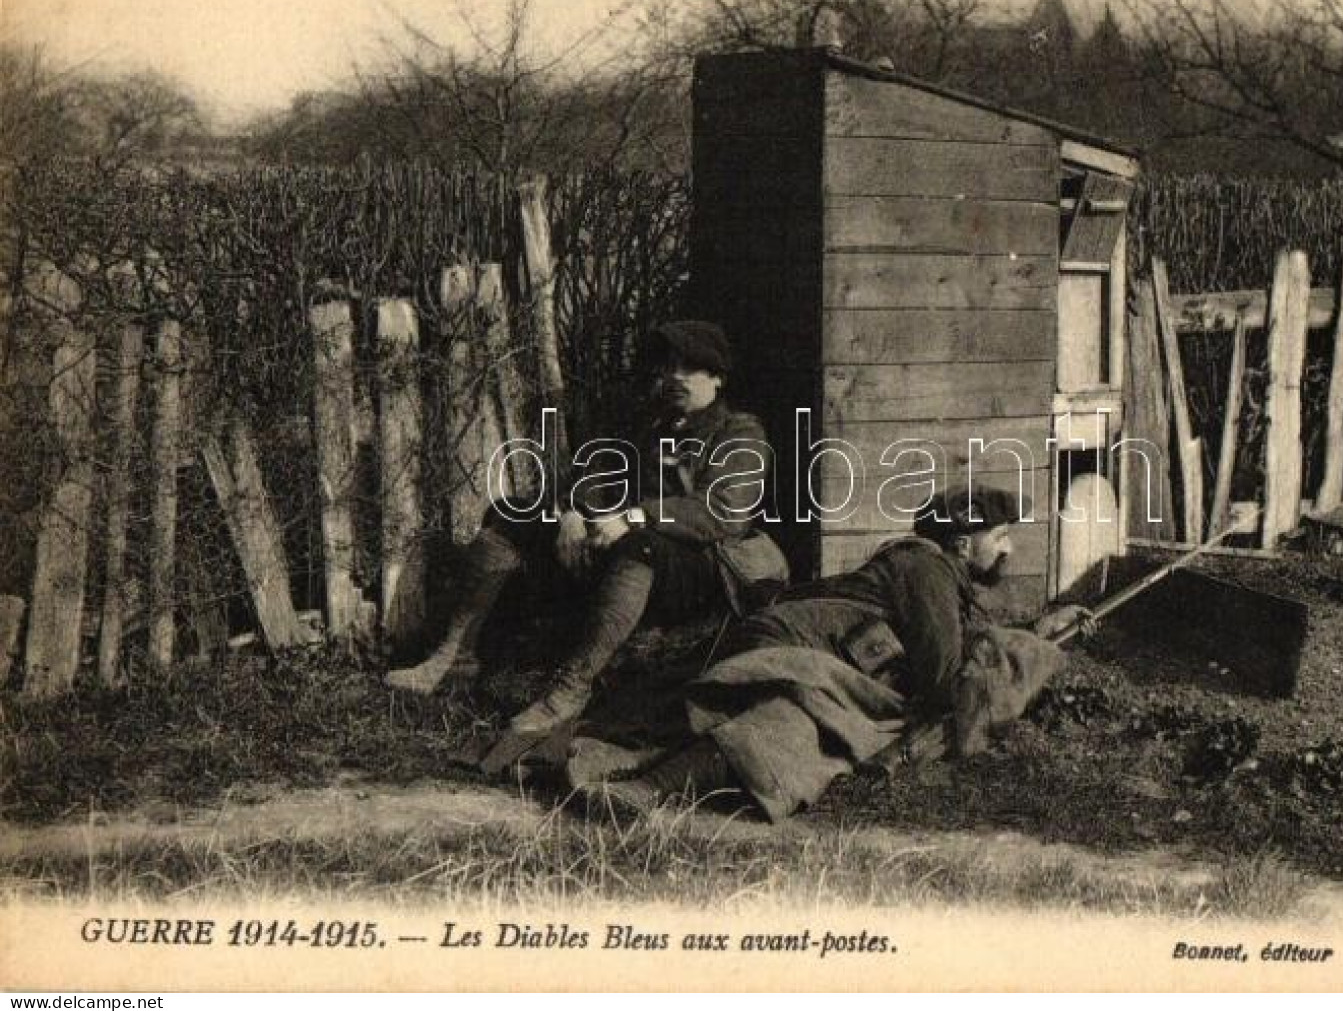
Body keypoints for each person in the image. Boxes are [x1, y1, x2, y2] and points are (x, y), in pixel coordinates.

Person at [384, 320, 787, 769]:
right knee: (513, 514)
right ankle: (454, 657)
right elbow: (601, 474)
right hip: (628, 539)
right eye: (670, 365)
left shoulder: (740, 434)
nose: (676, 376)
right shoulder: (654, 423)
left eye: (691, 368)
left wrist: (635, 518)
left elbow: (722, 513)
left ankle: (570, 689)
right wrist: (573, 511)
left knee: (642, 548)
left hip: (703, 564)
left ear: (718, 377)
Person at [565, 486, 1093, 821]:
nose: (1008, 549)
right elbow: (941, 676)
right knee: (797, 722)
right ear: (961, 543)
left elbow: (956, 637)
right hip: (793, 644)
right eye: (999, 537)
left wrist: (1036, 628)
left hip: (799, 642)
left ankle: (643, 780)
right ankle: (647, 789)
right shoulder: (927, 571)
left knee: (806, 723)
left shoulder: (935, 573)